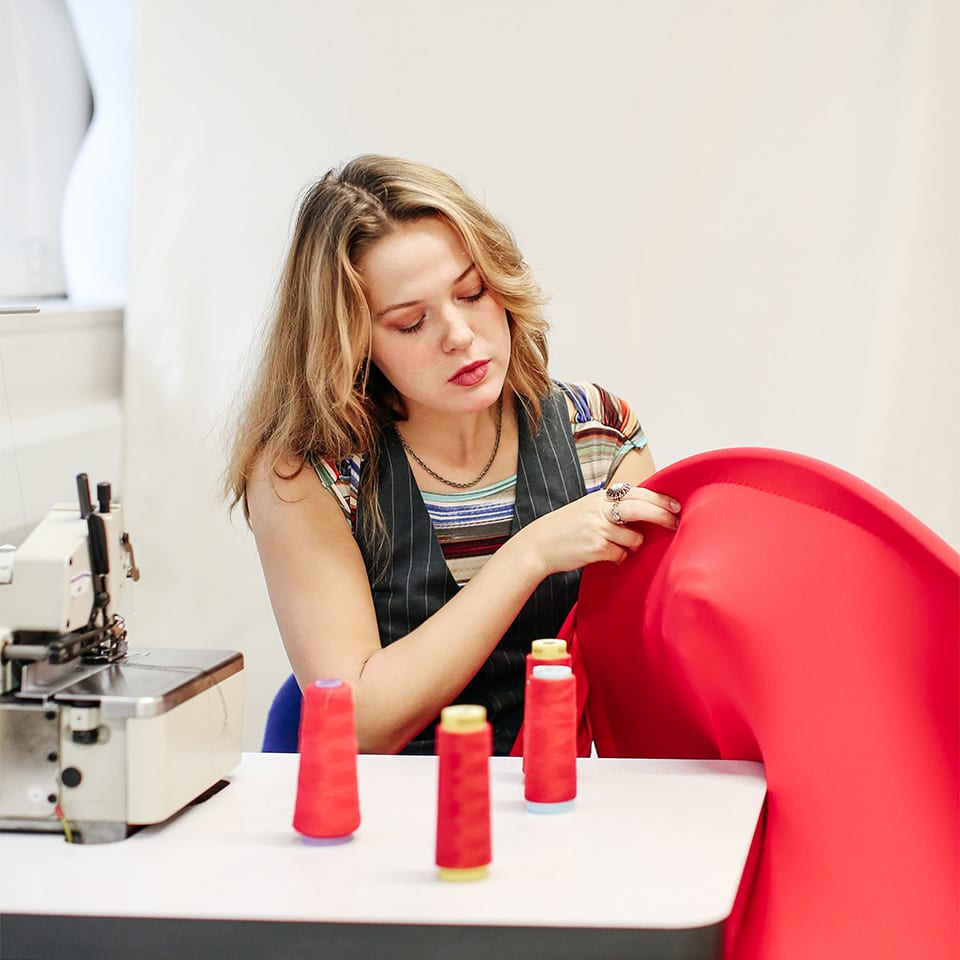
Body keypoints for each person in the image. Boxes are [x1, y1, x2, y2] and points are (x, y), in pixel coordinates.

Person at [225, 155, 681, 755]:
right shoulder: (308, 472)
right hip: (388, 819)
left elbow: (640, 679)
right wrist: (528, 555)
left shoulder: (598, 436)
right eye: (411, 323)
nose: (459, 335)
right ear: (351, 342)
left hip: (558, 808)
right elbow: (357, 723)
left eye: (471, 293)